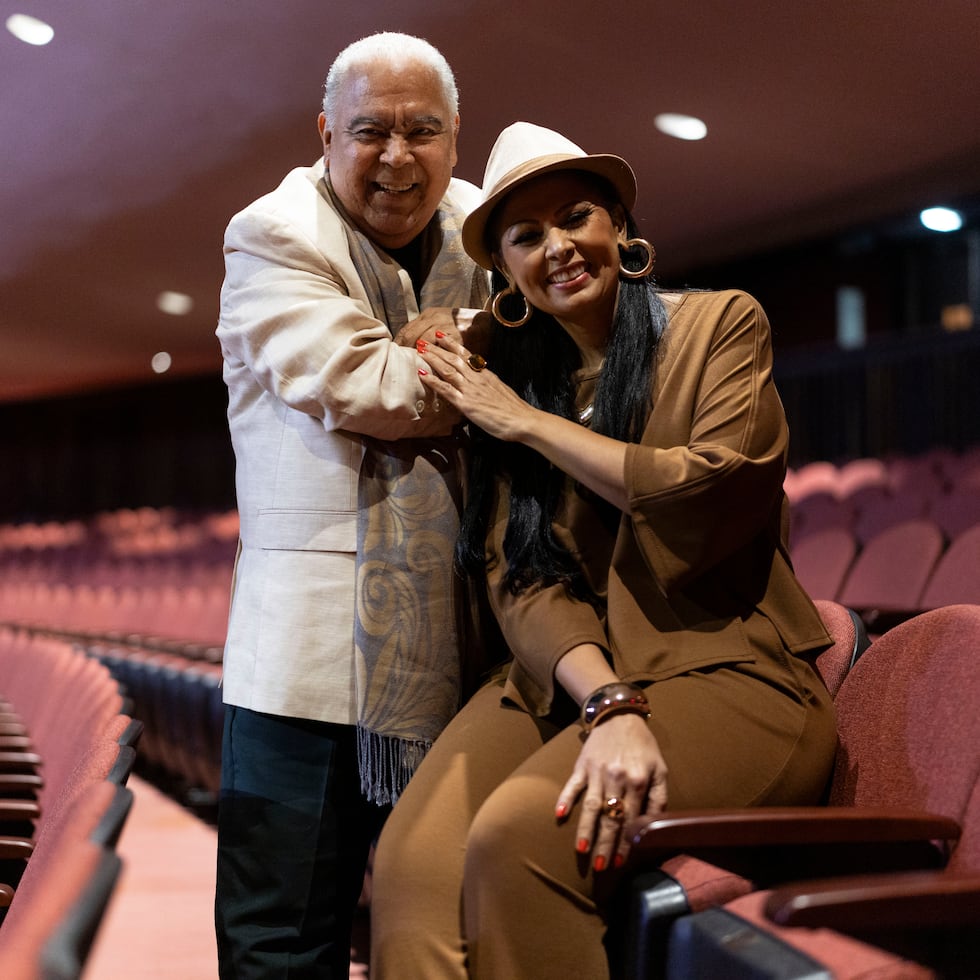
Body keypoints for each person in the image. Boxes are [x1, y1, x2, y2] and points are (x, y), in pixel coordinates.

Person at [369, 122, 839, 979]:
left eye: (575, 216)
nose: (557, 247)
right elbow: (524, 579)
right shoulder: (515, 376)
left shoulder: (718, 326)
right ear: (504, 270)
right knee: (411, 872)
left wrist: (527, 425)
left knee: (520, 841)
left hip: (727, 672)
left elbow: (708, 490)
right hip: (582, 678)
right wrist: (608, 701)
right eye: (526, 236)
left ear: (619, 227)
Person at [213, 33, 489, 978]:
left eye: (423, 131)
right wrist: (500, 361)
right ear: (327, 134)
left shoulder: (491, 227)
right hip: (309, 662)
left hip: (472, 649)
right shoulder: (273, 233)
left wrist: (461, 339)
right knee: (282, 941)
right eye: (371, 131)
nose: (398, 157)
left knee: (446, 934)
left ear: (458, 140)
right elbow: (371, 386)